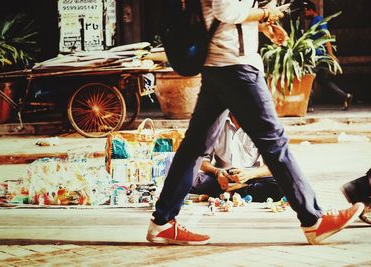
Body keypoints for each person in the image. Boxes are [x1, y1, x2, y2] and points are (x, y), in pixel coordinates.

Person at [147, 0, 364, 246]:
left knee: (195, 147)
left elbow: (229, 18)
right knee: (274, 142)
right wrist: (265, 13)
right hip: (235, 68)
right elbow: (224, 10)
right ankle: (313, 220)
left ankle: (162, 221)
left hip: (223, 64)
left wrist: (262, 27)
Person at [190, 110, 284, 202]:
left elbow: (271, 166)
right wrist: (217, 172)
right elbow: (202, 160)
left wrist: (249, 175)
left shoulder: (261, 124)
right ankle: (239, 192)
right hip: (221, 178)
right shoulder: (215, 122)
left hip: (252, 177)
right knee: (190, 179)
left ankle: (224, 193)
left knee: (282, 185)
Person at [303, 0, 353, 111]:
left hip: (317, 57)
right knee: (323, 81)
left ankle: (308, 106)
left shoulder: (319, 20)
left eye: (305, 11)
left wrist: (331, 54)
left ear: (311, 10)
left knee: (308, 78)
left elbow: (326, 36)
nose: (304, 14)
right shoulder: (314, 21)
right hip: (319, 56)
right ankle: (345, 96)